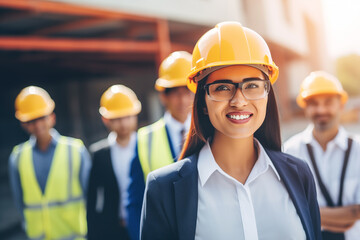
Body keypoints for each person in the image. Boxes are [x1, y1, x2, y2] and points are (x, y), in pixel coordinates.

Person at [140, 21, 322, 240]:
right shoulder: (164, 189)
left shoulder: (299, 174)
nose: (239, 100)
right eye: (223, 88)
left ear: (267, 95)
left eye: (252, 85)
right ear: (202, 103)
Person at [284, 71, 360, 240]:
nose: (321, 109)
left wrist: (310, 212)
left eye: (328, 102)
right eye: (313, 103)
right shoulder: (290, 151)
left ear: (341, 105)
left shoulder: (358, 149)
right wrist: (347, 215)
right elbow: (287, 208)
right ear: (304, 107)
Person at [127, 51, 194, 240]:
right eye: (175, 93)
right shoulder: (144, 139)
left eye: (187, 91)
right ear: (163, 97)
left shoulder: (211, 133)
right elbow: (135, 201)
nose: (182, 100)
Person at [8, 86, 91, 240]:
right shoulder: (18, 157)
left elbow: (89, 196)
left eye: (41, 118)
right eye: (32, 120)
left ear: (52, 117)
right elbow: (20, 202)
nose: (38, 125)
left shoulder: (75, 150)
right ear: (23, 124)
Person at [87, 84, 141, 240]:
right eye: (117, 118)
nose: (123, 123)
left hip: (143, 223)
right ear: (106, 119)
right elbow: (92, 199)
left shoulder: (146, 145)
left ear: (136, 115)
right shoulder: (99, 154)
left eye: (127, 116)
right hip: (111, 228)